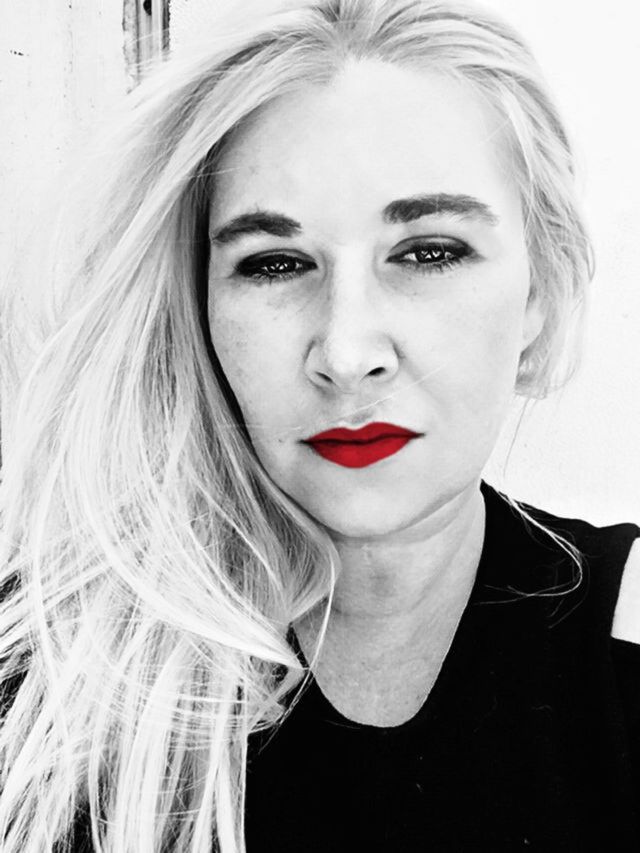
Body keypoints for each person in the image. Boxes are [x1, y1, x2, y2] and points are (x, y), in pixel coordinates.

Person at [0, 0, 638, 850]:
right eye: (275, 263)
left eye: (429, 252)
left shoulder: (629, 631)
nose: (345, 352)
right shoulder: (46, 679)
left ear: (540, 294)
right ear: (200, 306)